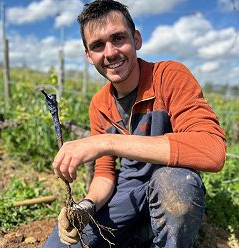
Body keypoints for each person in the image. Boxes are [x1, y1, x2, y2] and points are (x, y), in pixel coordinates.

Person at [44, 0, 226, 247]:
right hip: (128, 192)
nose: (110, 53)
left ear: (137, 39)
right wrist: (87, 206)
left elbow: (211, 151)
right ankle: (141, 232)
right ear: (88, 55)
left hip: (170, 186)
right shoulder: (99, 104)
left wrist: (108, 141)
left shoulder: (169, 77)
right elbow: (105, 174)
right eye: (98, 46)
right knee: (60, 245)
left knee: (175, 184)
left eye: (118, 38)